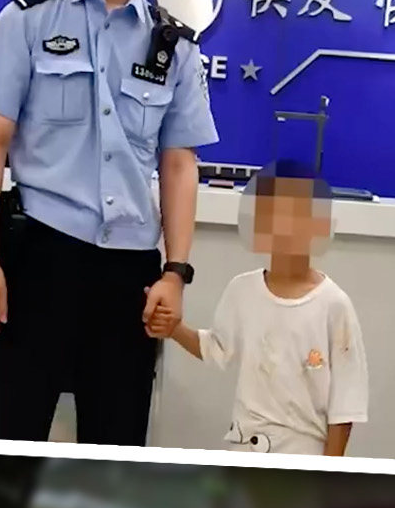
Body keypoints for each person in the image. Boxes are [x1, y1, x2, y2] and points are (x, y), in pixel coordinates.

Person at [0, 0, 218, 445]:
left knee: (117, 439)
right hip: (36, 260)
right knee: (11, 432)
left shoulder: (174, 47)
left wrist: (175, 271)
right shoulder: (28, 19)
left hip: (127, 276)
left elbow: (179, 166)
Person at [154, 161, 370, 455]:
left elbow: (345, 405)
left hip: (303, 452)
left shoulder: (334, 306)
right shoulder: (242, 290)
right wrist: (174, 330)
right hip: (245, 446)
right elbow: (216, 348)